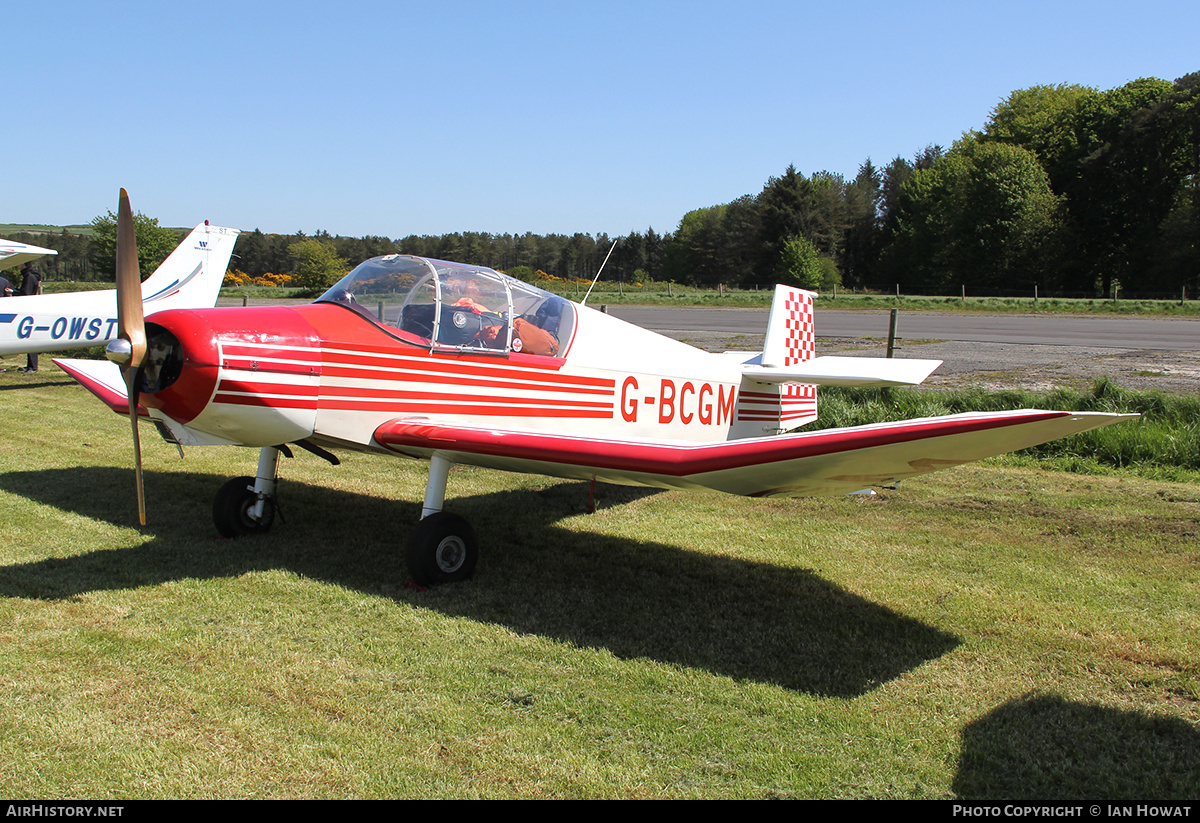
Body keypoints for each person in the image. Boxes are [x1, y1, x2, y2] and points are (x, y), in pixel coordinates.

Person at [17, 262, 42, 372]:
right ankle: (31, 365)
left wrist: (13, 292)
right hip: (31, 308)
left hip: (28, 310)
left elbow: (25, 294)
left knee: (30, 337)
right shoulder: (31, 275)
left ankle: (33, 366)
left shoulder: (29, 276)